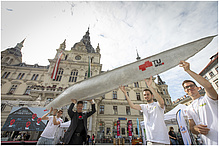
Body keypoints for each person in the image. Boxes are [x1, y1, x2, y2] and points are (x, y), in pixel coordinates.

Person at [120, 76, 170, 145]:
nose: (146, 96)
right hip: (150, 140)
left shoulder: (157, 105)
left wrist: (150, 87)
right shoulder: (144, 106)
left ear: (152, 95)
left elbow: (161, 101)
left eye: (148, 94)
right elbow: (132, 106)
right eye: (144, 95)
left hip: (161, 140)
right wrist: (125, 93)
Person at [179, 61, 218, 145]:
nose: (190, 88)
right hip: (207, 142)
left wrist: (188, 70)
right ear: (185, 91)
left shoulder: (208, 99)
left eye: (192, 85)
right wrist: (196, 128)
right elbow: (192, 128)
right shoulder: (188, 108)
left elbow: (209, 86)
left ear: (197, 87)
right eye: (186, 87)